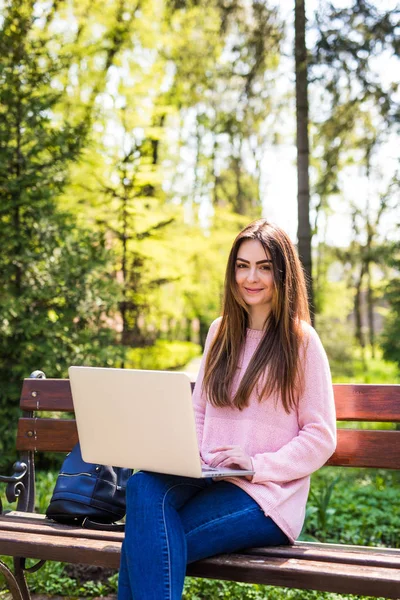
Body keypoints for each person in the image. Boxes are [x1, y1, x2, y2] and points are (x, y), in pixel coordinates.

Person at [118, 219, 337, 600]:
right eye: (242, 264)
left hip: (266, 495)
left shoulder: (301, 342)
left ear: (282, 274)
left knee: (147, 544)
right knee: (142, 486)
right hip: (208, 476)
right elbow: (199, 409)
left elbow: (321, 436)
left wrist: (256, 464)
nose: (250, 277)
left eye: (264, 266)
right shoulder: (220, 331)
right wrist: (188, 456)